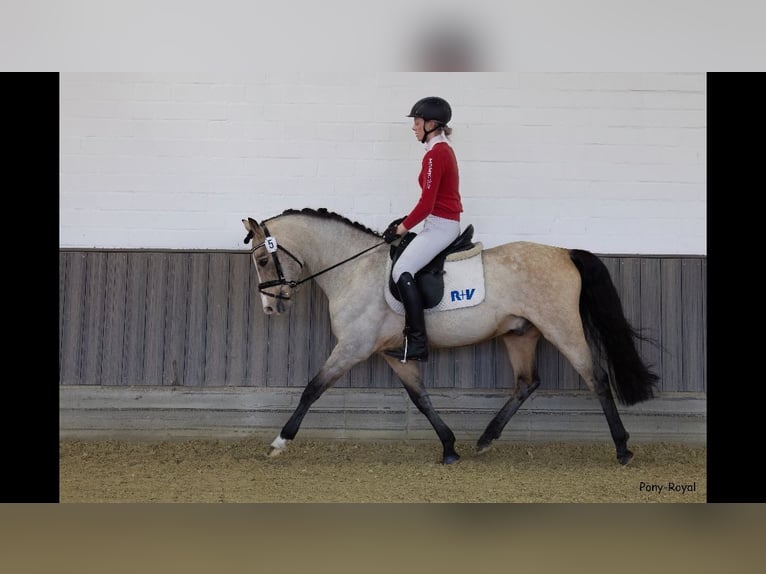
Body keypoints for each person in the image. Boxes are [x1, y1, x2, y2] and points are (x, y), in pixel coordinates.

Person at [382, 96, 463, 362]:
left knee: (401, 270)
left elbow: (427, 203)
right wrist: (403, 221)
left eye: (417, 122)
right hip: (439, 223)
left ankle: (417, 342)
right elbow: (431, 201)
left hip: (441, 226)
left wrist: (402, 229)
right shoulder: (442, 151)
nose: (414, 127)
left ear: (430, 124)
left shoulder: (435, 155)